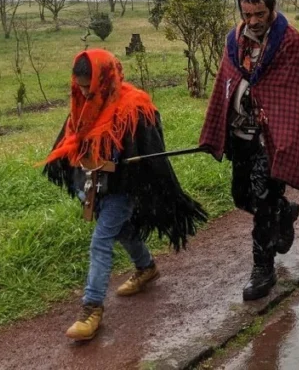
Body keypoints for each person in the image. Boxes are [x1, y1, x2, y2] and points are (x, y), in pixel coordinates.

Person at [45, 49, 207, 341]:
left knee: (101, 240)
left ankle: (91, 308)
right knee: (123, 231)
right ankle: (146, 267)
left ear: (104, 80)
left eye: (89, 88)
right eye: (80, 87)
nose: (84, 93)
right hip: (94, 185)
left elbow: (151, 152)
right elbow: (70, 140)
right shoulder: (83, 103)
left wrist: (128, 161)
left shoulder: (135, 106)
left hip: (123, 188)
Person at [200, 0, 299, 301]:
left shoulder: (290, 44)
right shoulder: (234, 43)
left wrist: (283, 130)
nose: (253, 20)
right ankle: (285, 212)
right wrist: (217, 129)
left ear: (271, 9)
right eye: (247, 14)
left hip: (271, 140)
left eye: (259, 13)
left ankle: (263, 269)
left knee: (263, 206)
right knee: (241, 197)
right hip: (241, 136)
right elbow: (225, 86)